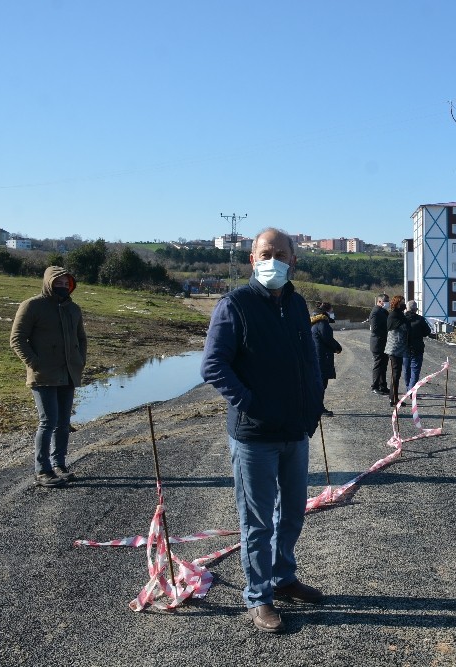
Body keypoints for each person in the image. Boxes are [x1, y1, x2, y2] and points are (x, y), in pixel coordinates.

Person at [200, 227, 326, 633]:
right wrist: (250, 404)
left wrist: (313, 405)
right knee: (257, 520)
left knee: (291, 513)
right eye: (265, 253)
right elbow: (213, 366)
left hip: (295, 430)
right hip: (254, 435)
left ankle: (283, 577)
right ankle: (258, 597)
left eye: (281, 253)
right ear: (253, 259)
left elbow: (308, 360)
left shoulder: (296, 302)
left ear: (293, 260)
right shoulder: (234, 304)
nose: (273, 259)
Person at [10, 266, 87, 488]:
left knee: (63, 423)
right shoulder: (32, 306)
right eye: (58, 282)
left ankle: (59, 465)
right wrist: (35, 363)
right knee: (48, 422)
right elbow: (17, 339)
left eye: (66, 283)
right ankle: (42, 470)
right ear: (48, 282)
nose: (63, 286)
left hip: (69, 373)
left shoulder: (74, 309)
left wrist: (80, 360)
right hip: (43, 374)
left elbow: (81, 338)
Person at [310, 301, 342, 417]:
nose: (332, 313)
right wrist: (337, 347)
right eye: (331, 311)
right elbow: (327, 339)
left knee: (317, 383)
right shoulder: (322, 323)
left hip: (316, 356)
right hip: (322, 357)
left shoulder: (314, 321)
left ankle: (315, 406)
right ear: (326, 311)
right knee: (321, 384)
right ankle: (318, 408)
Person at [384, 295, 409, 407]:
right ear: (398, 303)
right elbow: (404, 328)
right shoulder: (395, 315)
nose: (404, 304)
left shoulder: (397, 314)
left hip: (396, 348)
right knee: (395, 374)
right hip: (395, 349)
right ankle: (393, 399)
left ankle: (393, 397)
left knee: (396, 374)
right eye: (402, 302)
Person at [403, 300, 432, 392]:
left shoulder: (402, 319)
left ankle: (408, 388)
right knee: (415, 371)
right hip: (417, 348)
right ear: (416, 309)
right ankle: (411, 391)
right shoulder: (420, 319)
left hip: (404, 348)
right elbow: (427, 332)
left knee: (406, 370)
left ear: (406, 308)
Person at [368, 293, 390, 396]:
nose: (388, 303)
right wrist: (386, 330)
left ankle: (383, 386)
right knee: (378, 365)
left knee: (384, 365)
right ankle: (375, 386)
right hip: (377, 343)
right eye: (386, 301)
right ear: (380, 301)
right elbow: (375, 329)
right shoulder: (376, 312)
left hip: (384, 343)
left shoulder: (383, 311)